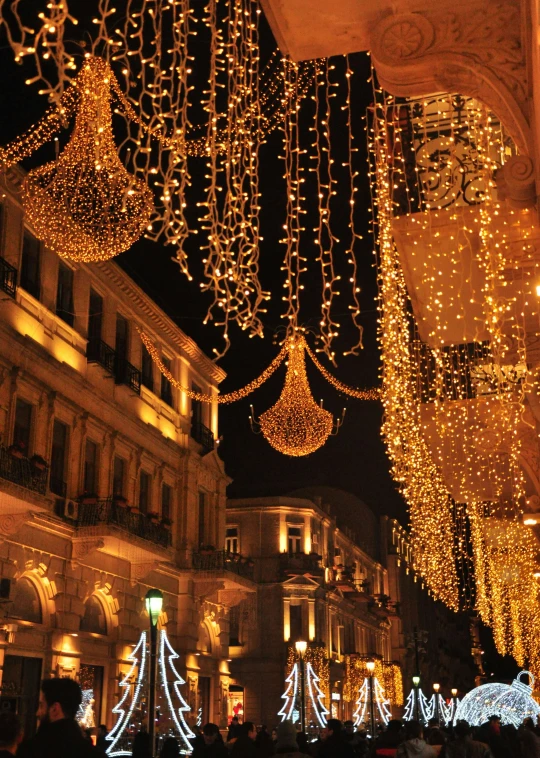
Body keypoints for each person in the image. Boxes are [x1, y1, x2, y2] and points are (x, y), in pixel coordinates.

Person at [17, 678, 106, 758]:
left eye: (41, 705)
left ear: (55, 709)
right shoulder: (94, 754)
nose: (37, 713)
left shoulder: (32, 751)